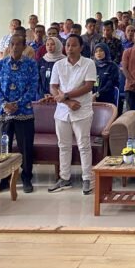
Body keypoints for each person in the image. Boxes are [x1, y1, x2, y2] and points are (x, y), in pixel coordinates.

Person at [48, 34, 97, 195]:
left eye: (74, 45)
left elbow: (88, 86)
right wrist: (67, 102)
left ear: (81, 47)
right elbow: (53, 87)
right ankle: (64, 178)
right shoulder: (58, 64)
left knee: (84, 146)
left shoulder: (88, 63)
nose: (70, 48)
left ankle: (87, 178)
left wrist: (66, 95)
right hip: (62, 111)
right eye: (67, 45)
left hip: (82, 110)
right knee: (63, 146)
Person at [0, 35, 37, 193]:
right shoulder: (1, 64)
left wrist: (17, 104)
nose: (15, 47)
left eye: (18, 44)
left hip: (24, 111)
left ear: (24, 47)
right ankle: (3, 179)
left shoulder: (31, 64)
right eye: (12, 44)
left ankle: (26, 178)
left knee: (26, 147)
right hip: (4, 112)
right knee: (3, 148)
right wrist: (4, 104)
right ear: (9, 46)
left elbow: (33, 88)